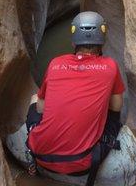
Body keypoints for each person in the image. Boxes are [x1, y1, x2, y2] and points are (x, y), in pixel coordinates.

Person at [24, 11, 125, 186]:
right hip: (82, 163)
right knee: (112, 116)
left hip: (41, 154)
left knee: (35, 98)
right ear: (102, 38)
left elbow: (41, 107)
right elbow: (116, 106)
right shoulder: (110, 66)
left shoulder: (56, 63)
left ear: (73, 40)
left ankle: (32, 160)